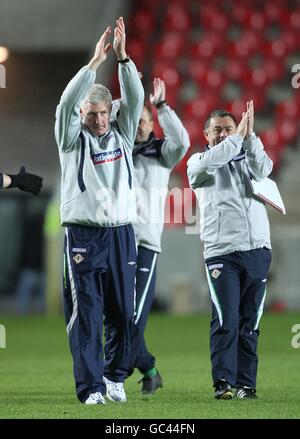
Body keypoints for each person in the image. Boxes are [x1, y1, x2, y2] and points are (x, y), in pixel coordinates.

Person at [54, 17, 144, 405]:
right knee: (87, 314)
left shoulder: (122, 134)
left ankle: (114, 377)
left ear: (110, 111)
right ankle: (90, 387)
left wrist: (124, 60)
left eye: (101, 113)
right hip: (84, 236)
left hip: (122, 232)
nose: (97, 120)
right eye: (90, 114)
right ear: (82, 115)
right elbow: (65, 102)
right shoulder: (70, 140)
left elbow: (136, 99)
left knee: (125, 313)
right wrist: (93, 64)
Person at [187, 101, 273, 400]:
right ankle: (223, 382)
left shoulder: (248, 157)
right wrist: (238, 136)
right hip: (222, 252)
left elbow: (265, 168)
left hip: (258, 249)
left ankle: (245, 384)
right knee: (227, 319)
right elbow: (213, 161)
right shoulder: (197, 162)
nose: (224, 135)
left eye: (228, 129)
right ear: (205, 134)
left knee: (251, 321)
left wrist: (250, 138)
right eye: (217, 130)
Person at [112, 78, 190, 394]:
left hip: (145, 244)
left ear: (151, 123)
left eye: (144, 121)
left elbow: (183, 142)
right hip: (116, 242)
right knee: (117, 315)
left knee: (132, 319)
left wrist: (161, 107)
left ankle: (112, 377)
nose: (139, 127)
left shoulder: (162, 152)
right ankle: (151, 370)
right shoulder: (116, 152)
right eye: (135, 121)